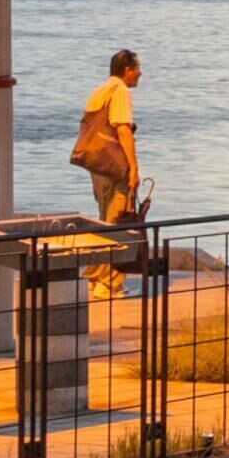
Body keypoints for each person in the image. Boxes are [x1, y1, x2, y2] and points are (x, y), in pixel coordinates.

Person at [71, 49, 144, 301]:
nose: (140, 73)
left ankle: (94, 277)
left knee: (104, 222)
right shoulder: (120, 91)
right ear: (127, 70)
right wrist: (133, 168)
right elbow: (122, 130)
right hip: (115, 167)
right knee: (119, 223)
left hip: (97, 166)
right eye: (137, 68)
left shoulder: (99, 91)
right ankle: (108, 284)